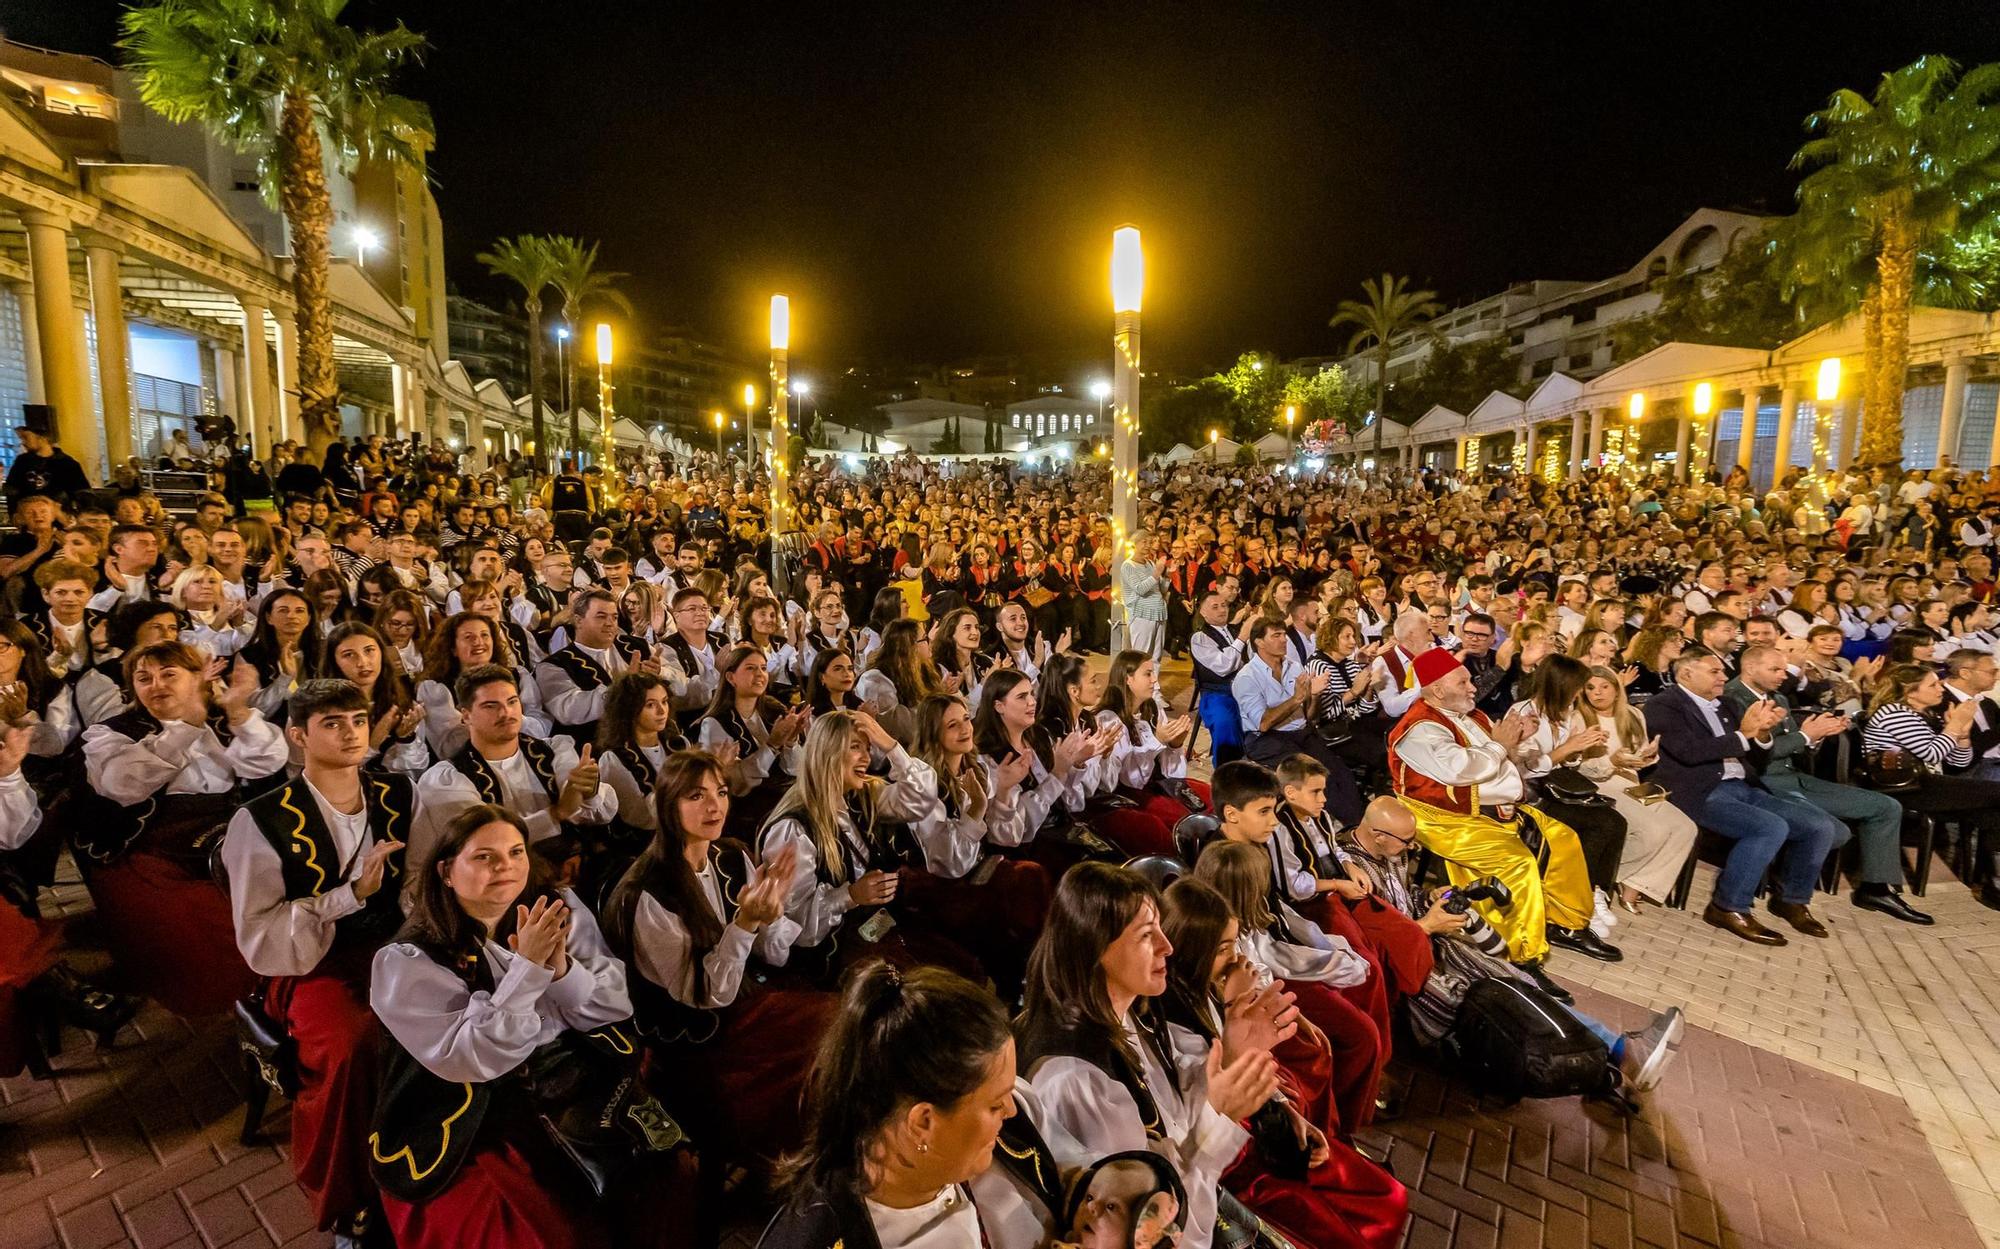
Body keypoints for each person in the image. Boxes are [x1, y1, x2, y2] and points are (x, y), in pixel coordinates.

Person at [368, 804, 695, 1249]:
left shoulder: (554, 909)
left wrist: (561, 970)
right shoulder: (408, 960)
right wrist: (528, 968)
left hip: (568, 1077)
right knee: (543, 1231)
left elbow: (612, 1002)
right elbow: (470, 1057)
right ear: (446, 871)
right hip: (479, 1107)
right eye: (484, 857)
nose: (505, 866)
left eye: (516, 852)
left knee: (668, 1170)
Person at [220, 679, 409, 1236]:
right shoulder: (260, 820)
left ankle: (430, 1160)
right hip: (310, 963)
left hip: (395, 944)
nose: (350, 732)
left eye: (356, 719)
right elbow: (261, 933)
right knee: (353, 1044)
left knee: (461, 1009)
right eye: (332, 723)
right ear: (298, 736)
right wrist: (349, 897)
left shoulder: (398, 793)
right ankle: (348, 1194)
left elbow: (420, 878)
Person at [1342, 796, 1686, 1082]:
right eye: (1406, 842)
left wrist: (1428, 899)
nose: (1412, 848)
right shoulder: (1352, 876)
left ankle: (1615, 1049)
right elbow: (1373, 942)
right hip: (1407, 968)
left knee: (1515, 980)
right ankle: (1611, 1057)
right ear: (1378, 835)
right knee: (1504, 998)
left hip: (1429, 944)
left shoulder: (1391, 850)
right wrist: (1427, 926)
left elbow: (1402, 897)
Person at [601, 749, 831, 1168]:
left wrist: (771, 914)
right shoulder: (647, 893)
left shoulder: (728, 855)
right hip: (696, 1038)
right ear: (668, 805)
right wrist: (744, 924)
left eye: (721, 792)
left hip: (743, 1004)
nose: (715, 806)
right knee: (815, 1051)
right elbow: (706, 994)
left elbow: (772, 956)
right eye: (696, 796)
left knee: (839, 1025)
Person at [1157, 873, 1410, 1249]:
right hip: (1233, 1158)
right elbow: (1207, 1099)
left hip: (1262, 1126)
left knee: (1389, 1197)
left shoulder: (1203, 989)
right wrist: (1234, 1009)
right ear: (1195, 950)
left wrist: (1291, 1115)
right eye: (1225, 948)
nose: (1238, 958)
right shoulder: (1168, 1016)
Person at [759, 962, 1083, 1249]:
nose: (1012, 1110)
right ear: (923, 1121)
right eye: (996, 1105)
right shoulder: (838, 1234)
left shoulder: (993, 1120)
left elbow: (1081, 1172)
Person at [78, 641, 289, 1015]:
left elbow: (266, 761)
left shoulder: (224, 720)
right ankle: (236, 997)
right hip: (151, 848)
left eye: (169, 674)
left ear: (199, 679)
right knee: (201, 916)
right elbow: (121, 785)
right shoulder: (113, 732)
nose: (156, 685)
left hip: (227, 834)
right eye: (144, 678)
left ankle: (288, 985)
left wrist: (237, 710)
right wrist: (186, 727)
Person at [1385, 646, 1603, 988]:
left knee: (1563, 838)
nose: (1473, 688)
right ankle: (1521, 958)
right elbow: (1463, 769)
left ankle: (1567, 923)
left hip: (1496, 809)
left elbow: (1505, 764)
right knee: (1517, 864)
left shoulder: (1474, 716)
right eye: (1464, 681)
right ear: (1438, 689)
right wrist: (1501, 745)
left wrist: (1517, 741)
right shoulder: (1420, 728)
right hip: (1446, 819)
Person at [1644, 649, 1847, 946]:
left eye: (1722, 671)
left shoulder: (1726, 704)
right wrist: (1744, 735)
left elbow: (1758, 756)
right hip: (1700, 792)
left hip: (1743, 786)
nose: (1724, 677)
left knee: (1819, 826)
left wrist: (1763, 734)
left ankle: (1791, 899)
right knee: (1769, 827)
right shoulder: (1664, 705)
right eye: (1714, 672)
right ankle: (1727, 906)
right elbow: (1689, 753)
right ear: (1686, 673)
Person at [1728, 645, 1927, 923]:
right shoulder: (1732, 698)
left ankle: (1876, 888)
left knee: (1885, 806)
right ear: (1749, 668)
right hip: (1761, 782)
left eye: (1784, 669)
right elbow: (1753, 751)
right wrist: (1806, 737)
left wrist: (1819, 734)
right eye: (1775, 669)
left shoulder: (1778, 698)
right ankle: (1787, 893)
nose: (1783, 675)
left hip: (1795, 778)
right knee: (1833, 832)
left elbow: (1795, 747)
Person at [411, 665, 616, 876]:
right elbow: (480, 840)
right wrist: (556, 813)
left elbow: (599, 813)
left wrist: (590, 793)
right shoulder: (448, 779)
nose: (506, 712)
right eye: (491, 706)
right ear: (466, 715)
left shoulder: (553, 750)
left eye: (512, 702)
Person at [1863, 662, 2000, 912]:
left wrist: (1963, 734)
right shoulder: (1894, 713)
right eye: (1933, 684)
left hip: (1927, 782)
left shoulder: (1923, 714)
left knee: (1993, 811)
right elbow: (1932, 753)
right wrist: (1954, 725)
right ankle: (1991, 884)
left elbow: (1959, 761)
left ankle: (1991, 883)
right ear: (1910, 691)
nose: (1941, 688)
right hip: (1904, 787)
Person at [1567, 666, 1697, 911]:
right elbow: (1576, 767)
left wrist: (1647, 756)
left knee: (1685, 828)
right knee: (1653, 830)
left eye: (1605, 687)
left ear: (1616, 690)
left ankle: (1635, 884)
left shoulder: (1633, 715)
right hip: (1599, 785)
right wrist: (1612, 762)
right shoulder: (1578, 718)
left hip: (1631, 785)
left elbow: (1640, 753)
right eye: (1591, 688)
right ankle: (1599, 879)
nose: (1598, 693)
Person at [1232, 618, 1363, 825]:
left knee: (1340, 772)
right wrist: (1296, 699)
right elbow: (1263, 724)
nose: (1284, 640)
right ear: (1259, 642)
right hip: (1267, 740)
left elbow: (1309, 715)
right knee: (1316, 778)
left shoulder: (1294, 667)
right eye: (1276, 635)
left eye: (1284, 634)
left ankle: (1358, 825)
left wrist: (1316, 696)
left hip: (1301, 732)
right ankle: (1351, 826)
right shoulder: (1247, 677)